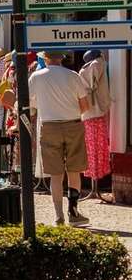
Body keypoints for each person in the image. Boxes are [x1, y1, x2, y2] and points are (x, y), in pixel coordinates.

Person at [30, 50, 91, 224]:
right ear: (61, 59)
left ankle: (58, 215)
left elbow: (27, 101)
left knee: (55, 174)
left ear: (46, 59)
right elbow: (85, 105)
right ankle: (73, 212)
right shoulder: (73, 75)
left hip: (49, 126)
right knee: (74, 170)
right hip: (73, 124)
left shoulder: (36, 76)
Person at [80, 49, 113, 202]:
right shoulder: (97, 64)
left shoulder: (91, 67)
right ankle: (95, 186)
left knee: (93, 148)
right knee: (96, 148)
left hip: (89, 113)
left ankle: (95, 186)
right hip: (95, 113)